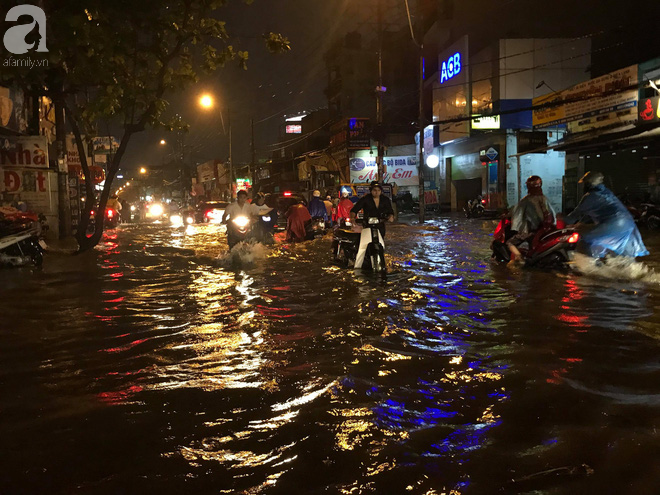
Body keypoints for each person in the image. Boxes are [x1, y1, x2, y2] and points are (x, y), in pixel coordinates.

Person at [562, 171, 648, 259]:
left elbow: (571, 218)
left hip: (613, 224)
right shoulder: (606, 192)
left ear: (589, 184)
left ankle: (591, 267)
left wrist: (559, 217)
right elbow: (591, 215)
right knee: (620, 254)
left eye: (585, 184)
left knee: (585, 239)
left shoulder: (589, 197)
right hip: (628, 224)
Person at [506, 176, 556, 261]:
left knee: (509, 242)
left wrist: (506, 215)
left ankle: (519, 258)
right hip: (545, 230)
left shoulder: (527, 200)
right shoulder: (544, 198)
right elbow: (553, 214)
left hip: (531, 231)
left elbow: (516, 212)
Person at [350, 181, 394, 269]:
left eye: (378, 190)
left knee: (381, 243)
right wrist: (352, 218)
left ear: (381, 191)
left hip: (380, 225)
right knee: (363, 243)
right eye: (374, 190)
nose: (376, 192)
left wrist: (391, 217)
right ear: (371, 190)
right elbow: (354, 210)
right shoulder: (365, 199)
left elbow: (390, 211)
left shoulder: (385, 200)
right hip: (367, 226)